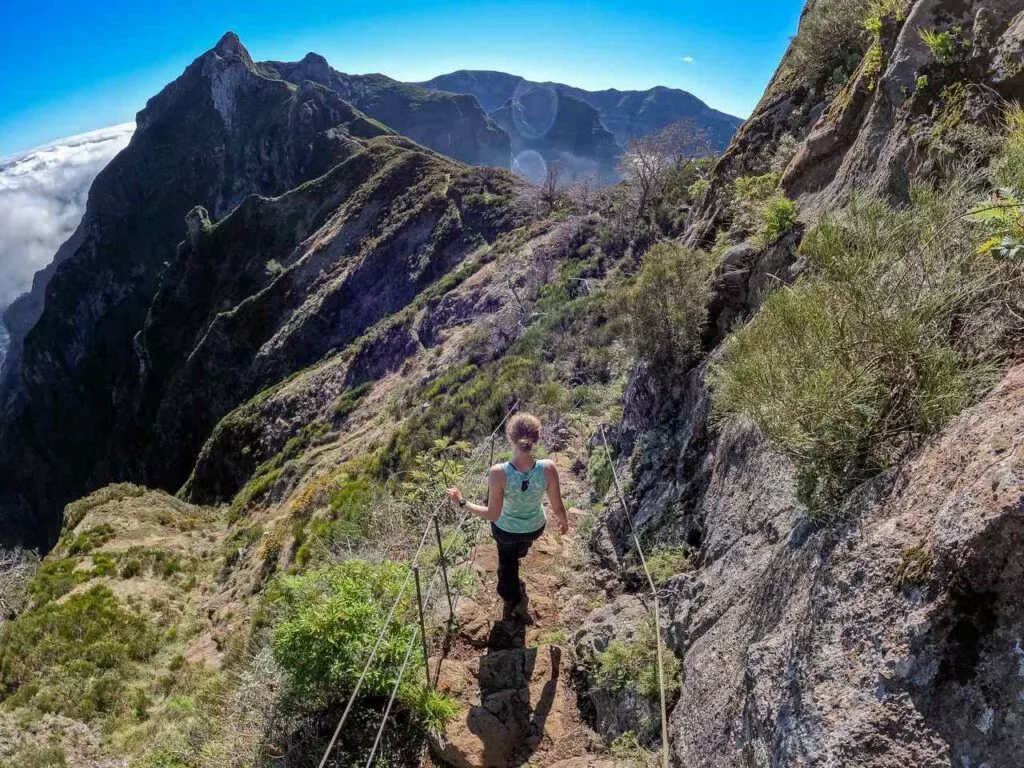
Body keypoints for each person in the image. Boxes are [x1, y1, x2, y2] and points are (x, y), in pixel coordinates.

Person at [445, 412, 570, 622]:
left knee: (507, 562)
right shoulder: (548, 468)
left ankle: (510, 595)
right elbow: (557, 506)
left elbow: (492, 514)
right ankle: (521, 549)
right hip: (535, 527)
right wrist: (564, 520)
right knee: (521, 545)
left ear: (509, 439)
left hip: (506, 530)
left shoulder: (498, 472)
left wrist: (462, 503)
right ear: (537, 438)